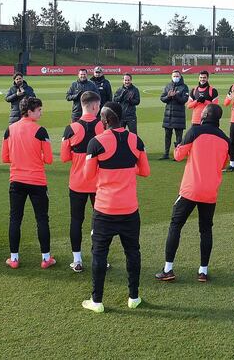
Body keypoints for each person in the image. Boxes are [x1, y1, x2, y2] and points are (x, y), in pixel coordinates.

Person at [81, 102, 150, 313]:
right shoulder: (136, 140)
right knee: (133, 253)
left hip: (104, 210)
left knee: (99, 254)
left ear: (104, 120)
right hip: (129, 209)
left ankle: (97, 301)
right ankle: (134, 297)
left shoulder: (96, 143)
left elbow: (87, 175)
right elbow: (145, 171)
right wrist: (126, 169)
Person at [155, 103, 228, 283]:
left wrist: (178, 146)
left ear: (204, 115)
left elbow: (178, 155)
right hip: (210, 191)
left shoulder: (195, 131)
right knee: (205, 230)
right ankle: (203, 271)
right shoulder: (226, 139)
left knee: (175, 225)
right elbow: (224, 164)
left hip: (190, 189)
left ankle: (168, 269)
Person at [1, 97, 55, 269]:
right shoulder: (40, 131)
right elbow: (49, 159)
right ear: (30, 111)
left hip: (16, 181)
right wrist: (35, 157)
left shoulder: (9, 130)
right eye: (39, 110)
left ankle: (14, 259)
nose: (41, 112)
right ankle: (46, 258)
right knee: (42, 220)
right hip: (37, 181)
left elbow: (5, 158)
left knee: (15, 219)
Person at [61, 91, 104, 272]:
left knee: (76, 221)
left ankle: (77, 260)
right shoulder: (103, 126)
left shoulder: (71, 128)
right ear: (95, 106)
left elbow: (64, 157)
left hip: (77, 182)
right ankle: (99, 258)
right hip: (98, 184)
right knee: (99, 221)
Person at [159, 70, 188, 160]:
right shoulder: (168, 86)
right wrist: (168, 96)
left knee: (179, 136)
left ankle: (178, 155)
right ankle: (166, 153)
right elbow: (162, 98)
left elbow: (184, 100)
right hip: (169, 115)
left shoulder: (184, 87)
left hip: (179, 115)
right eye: (174, 76)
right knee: (167, 135)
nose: (175, 77)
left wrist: (175, 96)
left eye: (177, 76)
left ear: (180, 76)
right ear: (171, 77)